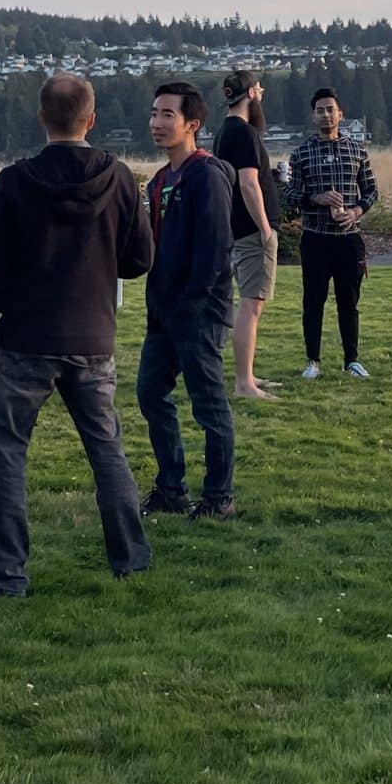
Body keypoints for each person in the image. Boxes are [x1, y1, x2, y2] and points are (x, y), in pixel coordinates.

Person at [0, 74, 156, 598]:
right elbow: (140, 259)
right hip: (93, 337)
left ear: (41, 118)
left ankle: (6, 575)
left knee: (6, 455)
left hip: (24, 339)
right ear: (91, 120)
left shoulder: (15, 182)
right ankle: (131, 561)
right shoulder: (119, 178)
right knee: (106, 449)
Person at [138, 81, 238, 520]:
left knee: (208, 402)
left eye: (167, 115)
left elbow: (216, 248)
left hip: (198, 310)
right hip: (162, 309)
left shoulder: (207, 174)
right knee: (150, 392)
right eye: (154, 113)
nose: (156, 123)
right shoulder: (160, 179)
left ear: (192, 124)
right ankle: (170, 488)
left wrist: (193, 300)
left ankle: (219, 498)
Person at [285, 88, 378, 380]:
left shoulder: (358, 151)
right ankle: (312, 360)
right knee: (313, 300)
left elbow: (372, 191)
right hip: (315, 238)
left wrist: (356, 212)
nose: (326, 115)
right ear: (314, 116)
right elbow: (289, 194)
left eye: (330, 109)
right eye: (320, 110)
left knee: (348, 301)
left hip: (349, 239)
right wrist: (316, 198)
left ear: (341, 114)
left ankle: (352, 360)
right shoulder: (301, 153)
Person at [216, 70, 282, 399]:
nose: (262, 92)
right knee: (251, 305)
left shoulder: (226, 132)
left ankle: (249, 375)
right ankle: (244, 383)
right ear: (250, 94)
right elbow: (246, 182)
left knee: (251, 303)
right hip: (251, 232)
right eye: (259, 88)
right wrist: (265, 228)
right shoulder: (244, 133)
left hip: (238, 229)